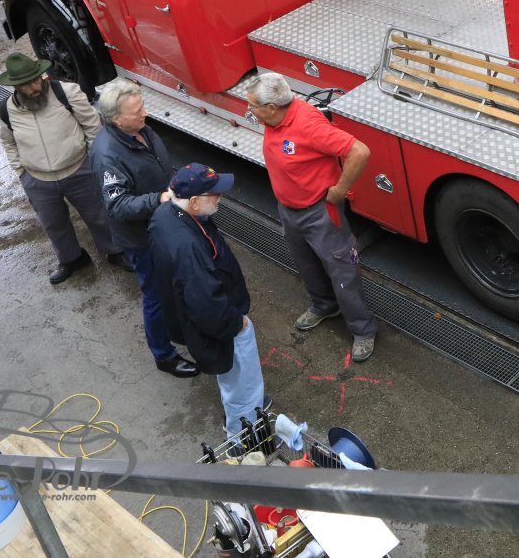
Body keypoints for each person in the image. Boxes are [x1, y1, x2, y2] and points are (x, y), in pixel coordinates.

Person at [246, 72, 379, 362]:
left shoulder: (307, 124)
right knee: (306, 264)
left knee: (342, 271)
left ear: (272, 107)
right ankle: (324, 305)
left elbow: (359, 151)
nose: (250, 111)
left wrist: (340, 190)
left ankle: (363, 330)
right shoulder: (273, 119)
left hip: (319, 213)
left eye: (252, 107)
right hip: (289, 209)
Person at [91, 79, 200, 379]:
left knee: (176, 285)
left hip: (164, 227)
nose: (145, 114)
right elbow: (117, 206)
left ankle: (183, 331)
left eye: (142, 107)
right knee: (156, 296)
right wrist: (159, 199)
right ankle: (164, 355)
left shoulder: (141, 131)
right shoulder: (107, 154)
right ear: (116, 119)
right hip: (143, 239)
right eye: (137, 111)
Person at [149, 163, 265, 444]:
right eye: (214, 194)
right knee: (240, 384)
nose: (220, 198)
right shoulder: (187, 247)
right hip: (222, 325)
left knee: (234, 381)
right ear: (194, 202)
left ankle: (245, 413)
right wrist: (237, 323)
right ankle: (244, 436)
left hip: (193, 319)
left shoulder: (166, 214)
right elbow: (206, 305)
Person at [0, 52, 128, 284]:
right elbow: (8, 142)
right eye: (27, 84)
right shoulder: (5, 110)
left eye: (36, 79)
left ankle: (114, 250)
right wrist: (21, 172)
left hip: (79, 169)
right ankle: (72, 259)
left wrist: (94, 161)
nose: (35, 87)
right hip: (37, 179)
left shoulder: (66, 93)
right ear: (15, 86)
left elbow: (92, 126)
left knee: (98, 215)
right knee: (53, 224)